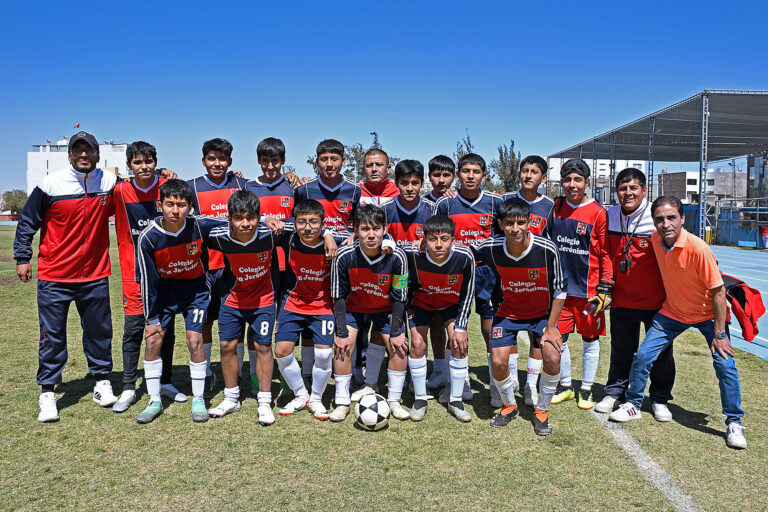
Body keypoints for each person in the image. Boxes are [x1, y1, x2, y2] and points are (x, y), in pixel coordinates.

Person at [610, 196, 747, 450]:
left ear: (682, 219)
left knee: (725, 365)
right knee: (643, 356)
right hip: (673, 312)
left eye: (672, 217)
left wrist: (719, 333)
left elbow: (718, 293)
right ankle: (633, 405)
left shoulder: (699, 248)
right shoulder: (654, 239)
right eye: (660, 219)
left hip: (708, 316)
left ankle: (734, 422)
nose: (666, 224)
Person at [14, 131, 119, 422]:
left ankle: (101, 382)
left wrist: (162, 174)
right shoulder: (50, 184)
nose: (84, 155)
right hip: (55, 275)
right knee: (53, 337)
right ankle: (48, 392)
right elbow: (27, 222)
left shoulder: (109, 183)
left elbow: (140, 190)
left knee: (99, 332)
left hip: (95, 274)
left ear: (98, 155)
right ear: (69, 155)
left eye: (89, 150)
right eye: (78, 150)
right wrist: (23, 258)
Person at [204, 190, 306, 425]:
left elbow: (303, 223)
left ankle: (263, 400)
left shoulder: (270, 234)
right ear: (229, 219)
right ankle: (231, 398)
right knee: (228, 345)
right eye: (238, 217)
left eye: (251, 217)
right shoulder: (219, 235)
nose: (245, 223)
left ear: (259, 217)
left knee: (262, 346)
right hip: (232, 300)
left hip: (264, 300)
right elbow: (196, 224)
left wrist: (329, 234)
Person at [135, 179, 229, 424]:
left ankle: (198, 398)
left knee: (195, 340)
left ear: (190, 206)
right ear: (159, 205)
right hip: (164, 293)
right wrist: (151, 318)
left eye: (181, 205)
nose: (175, 211)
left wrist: (268, 221)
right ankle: (154, 399)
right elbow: (147, 282)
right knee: (154, 339)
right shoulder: (148, 237)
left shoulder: (199, 225)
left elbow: (236, 220)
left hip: (194, 292)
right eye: (169, 204)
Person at [474, 198, 567, 435]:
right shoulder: (491, 248)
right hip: (507, 313)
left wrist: (551, 327)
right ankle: (509, 405)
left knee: (553, 358)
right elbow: (463, 251)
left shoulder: (547, 249)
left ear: (530, 222)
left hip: (541, 316)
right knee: (497, 362)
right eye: (509, 223)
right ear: (500, 224)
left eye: (521, 222)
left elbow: (560, 290)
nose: (515, 229)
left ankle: (542, 410)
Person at [111, 141, 186, 413]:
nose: (144, 167)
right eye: (138, 162)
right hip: (134, 274)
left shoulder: (166, 187)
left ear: (156, 162)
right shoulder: (119, 190)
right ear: (129, 165)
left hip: (166, 272)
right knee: (133, 329)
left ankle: (165, 382)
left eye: (149, 161)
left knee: (166, 330)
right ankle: (129, 386)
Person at [596, 169, 674, 421]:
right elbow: (605, 253)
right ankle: (615, 392)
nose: (627, 193)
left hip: (657, 301)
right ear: (616, 191)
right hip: (622, 299)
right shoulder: (609, 215)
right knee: (621, 349)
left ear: (644, 191)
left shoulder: (657, 218)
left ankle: (660, 398)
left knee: (660, 353)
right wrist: (606, 282)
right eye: (622, 188)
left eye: (633, 188)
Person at [434, 153, 503, 406]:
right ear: (458, 174)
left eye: (475, 171)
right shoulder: (445, 204)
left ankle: (496, 385)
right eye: (465, 171)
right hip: (455, 273)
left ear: (483, 175)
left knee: (490, 328)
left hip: (487, 273)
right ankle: (458, 383)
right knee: (455, 327)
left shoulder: (496, 202)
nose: (470, 176)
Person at [330, 204, 409, 421]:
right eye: (365, 229)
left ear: (385, 229)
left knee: (399, 346)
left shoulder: (397, 257)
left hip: (385, 309)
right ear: (355, 230)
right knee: (343, 347)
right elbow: (337, 296)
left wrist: (396, 331)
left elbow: (400, 296)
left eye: (376, 228)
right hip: (354, 309)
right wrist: (341, 334)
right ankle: (342, 401)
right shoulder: (344, 255)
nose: (371, 234)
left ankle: (393, 401)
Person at [295, 139, 362, 385]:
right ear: (317, 161)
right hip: (313, 261)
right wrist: (325, 234)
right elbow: (297, 224)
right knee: (312, 310)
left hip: (344, 262)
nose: (329, 164)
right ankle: (308, 371)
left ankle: (351, 369)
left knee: (347, 313)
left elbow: (358, 224)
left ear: (343, 161)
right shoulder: (305, 190)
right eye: (324, 159)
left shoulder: (354, 190)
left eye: (334, 159)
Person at [549, 158, 613, 410]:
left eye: (577, 180)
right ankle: (566, 386)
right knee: (559, 340)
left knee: (590, 340)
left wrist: (606, 284)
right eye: (567, 179)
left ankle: (586, 388)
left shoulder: (598, 212)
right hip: (561, 291)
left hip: (589, 292)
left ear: (587, 183)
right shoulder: (554, 207)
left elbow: (606, 253)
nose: (572, 184)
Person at [187, 138, 247, 395]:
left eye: (222, 159)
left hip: (235, 265)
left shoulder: (241, 184)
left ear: (230, 162)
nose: (217, 163)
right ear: (204, 161)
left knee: (237, 319)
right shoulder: (192, 187)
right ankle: (209, 371)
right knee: (207, 322)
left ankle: (240, 371)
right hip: (206, 267)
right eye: (212, 158)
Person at [272, 200, 341, 420]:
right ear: (294, 222)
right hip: (293, 303)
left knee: (323, 354)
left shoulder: (334, 239)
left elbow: (359, 233)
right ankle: (301, 395)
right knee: (282, 351)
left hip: (322, 305)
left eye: (314, 222)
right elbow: (266, 223)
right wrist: (267, 218)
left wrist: (329, 234)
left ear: (322, 224)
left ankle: (318, 399)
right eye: (301, 222)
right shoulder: (290, 237)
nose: (307, 227)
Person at [405, 215, 475, 421]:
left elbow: (468, 294)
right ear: (424, 239)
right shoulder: (411, 254)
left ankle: (455, 400)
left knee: (459, 343)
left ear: (453, 240)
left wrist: (461, 328)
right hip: (421, 304)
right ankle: (419, 399)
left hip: (450, 306)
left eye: (444, 239)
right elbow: (398, 272)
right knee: (417, 344)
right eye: (432, 238)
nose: (438, 244)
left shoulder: (464, 257)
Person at [243, 137, 296, 391]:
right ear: (259, 161)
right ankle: (255, 373)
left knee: (286, 318)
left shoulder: (294, 187)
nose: (270, 166)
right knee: (258, 318)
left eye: (275, 160)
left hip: (291, 264)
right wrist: (264, 218)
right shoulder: (248, 187)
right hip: (259, 264)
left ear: (283, 160)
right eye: (265, 161)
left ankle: (288, 373)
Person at [502, 155, 555, 407]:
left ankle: (530, 385)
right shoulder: (506, 201)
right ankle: (511, 378)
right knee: (510, 330)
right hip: (509, 278)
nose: (528, 175)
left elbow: (550, 240)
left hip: (537, 279)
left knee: (537, 334)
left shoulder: (550, 206)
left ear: (543, 178)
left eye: (534, 171)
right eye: (524, 170)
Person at [422, 155, 456, 390]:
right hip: (426, 272)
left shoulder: (455, 200)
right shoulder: (423, 202)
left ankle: (454, 373)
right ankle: (437, 370)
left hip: (454, 271)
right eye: (436, 174)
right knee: (432, 321)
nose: (441, 180)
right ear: (429, 176)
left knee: (456, 323)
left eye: (446, 175)